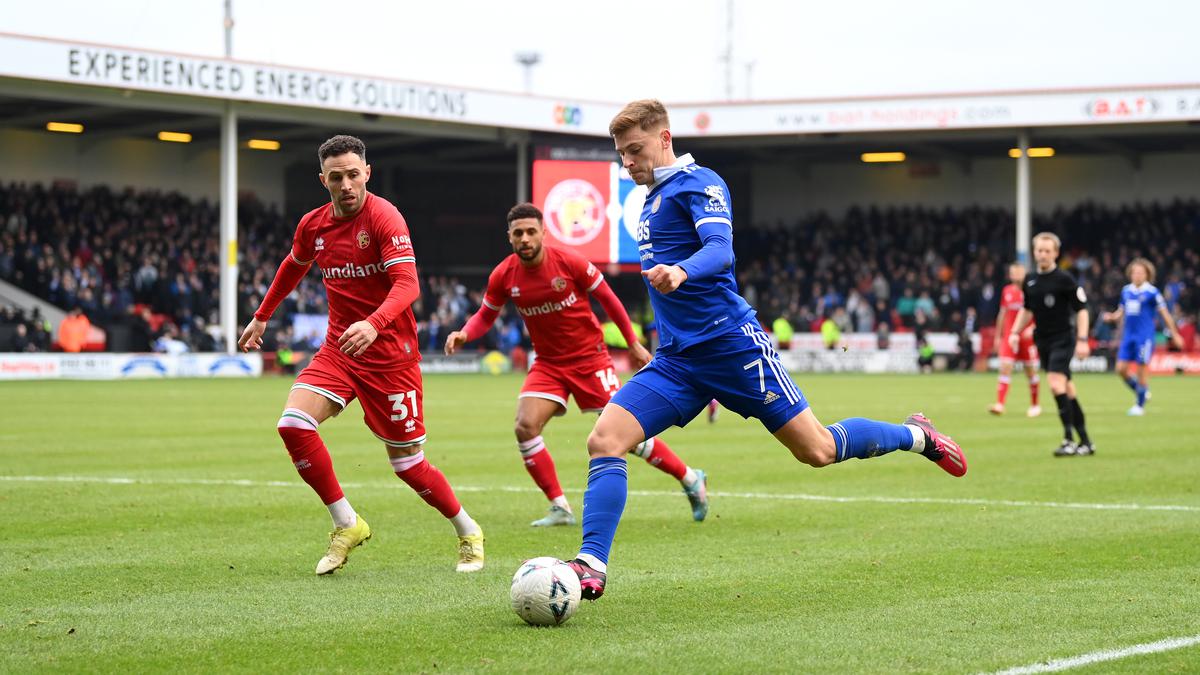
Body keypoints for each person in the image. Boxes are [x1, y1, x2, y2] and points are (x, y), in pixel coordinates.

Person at [562, 99, 968, 601]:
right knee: (605, 439)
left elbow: (720, 250)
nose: (628, 162)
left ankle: (917, 436)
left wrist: (682, 271)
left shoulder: (701, 183)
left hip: (733, 347)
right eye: (622, 154)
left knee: (817, 450)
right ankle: (590, 565)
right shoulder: (648, 202)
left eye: (635, 150)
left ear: (664, 139)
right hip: (678, 362)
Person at [238, 135, 484, 576]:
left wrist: (373, 323)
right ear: (323, 180)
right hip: (340, 349)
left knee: (408, 465)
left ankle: (468, 530)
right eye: (337, 177)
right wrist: (262, 316)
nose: (347, 184)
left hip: (391, 355)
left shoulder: (385, 217)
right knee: (292, 424)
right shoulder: (313, 226)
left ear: (367, 173)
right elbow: (293, 265)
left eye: (354, 174)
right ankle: (346, 523)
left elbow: (408, 285)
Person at [444, 203, 708, 527]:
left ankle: (690, 477)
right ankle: (560, 507)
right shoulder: (504, 274)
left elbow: (609, 299)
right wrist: (464, 333)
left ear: (543, 232)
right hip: (548, 363)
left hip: (589, 359)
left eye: (530, 232)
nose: (525, 238)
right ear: (509, 238)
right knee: (524, 426)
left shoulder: (569, 262)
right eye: (518, 233)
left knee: (627, 437)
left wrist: (633, 344)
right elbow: (487, 314)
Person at [1007, 232, 1094, 457]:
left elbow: (1082, 310)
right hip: (1042, 340)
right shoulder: (1030, 280)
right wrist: (1015, 332)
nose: (1043, 254)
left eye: (1048, 251)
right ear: (1034, 252)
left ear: (1055, 253)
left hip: (1063, 338)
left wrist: (1083, 340)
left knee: (1055, 384)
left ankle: (1068, 440)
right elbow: (1027, 309)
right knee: (1068, 389)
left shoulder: (1065, 279)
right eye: (1039, 250)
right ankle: (1085, 442)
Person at [1099, 258, 1184, 416]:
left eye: (1140, 273)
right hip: (1128, 336)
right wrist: (1112, 317)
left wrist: (1175, 334)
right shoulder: (1126, 291)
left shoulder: (1152, 293)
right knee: (1120, 369)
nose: (1137, 275)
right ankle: (1143, 391)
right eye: (1134, 272)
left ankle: (1139, 405)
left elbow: (1165, 315)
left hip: (1144, 337)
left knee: (1141, 370)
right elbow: (1121, 312)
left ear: (1147, 275)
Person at [989, 262, 1041, 417]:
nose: (1017, 275)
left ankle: (1035, 405)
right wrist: (998, 336)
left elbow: (1038, 312)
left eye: (1019, 272)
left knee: (1030, 371)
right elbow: (1002, 314)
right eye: (1014, 272)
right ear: (1010, 275)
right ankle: (1000, 404)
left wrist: (1032, 329)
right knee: (1005, 367)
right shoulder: (1007, 291)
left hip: (1027, 339)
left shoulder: (1032, 290)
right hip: (1009, 336)